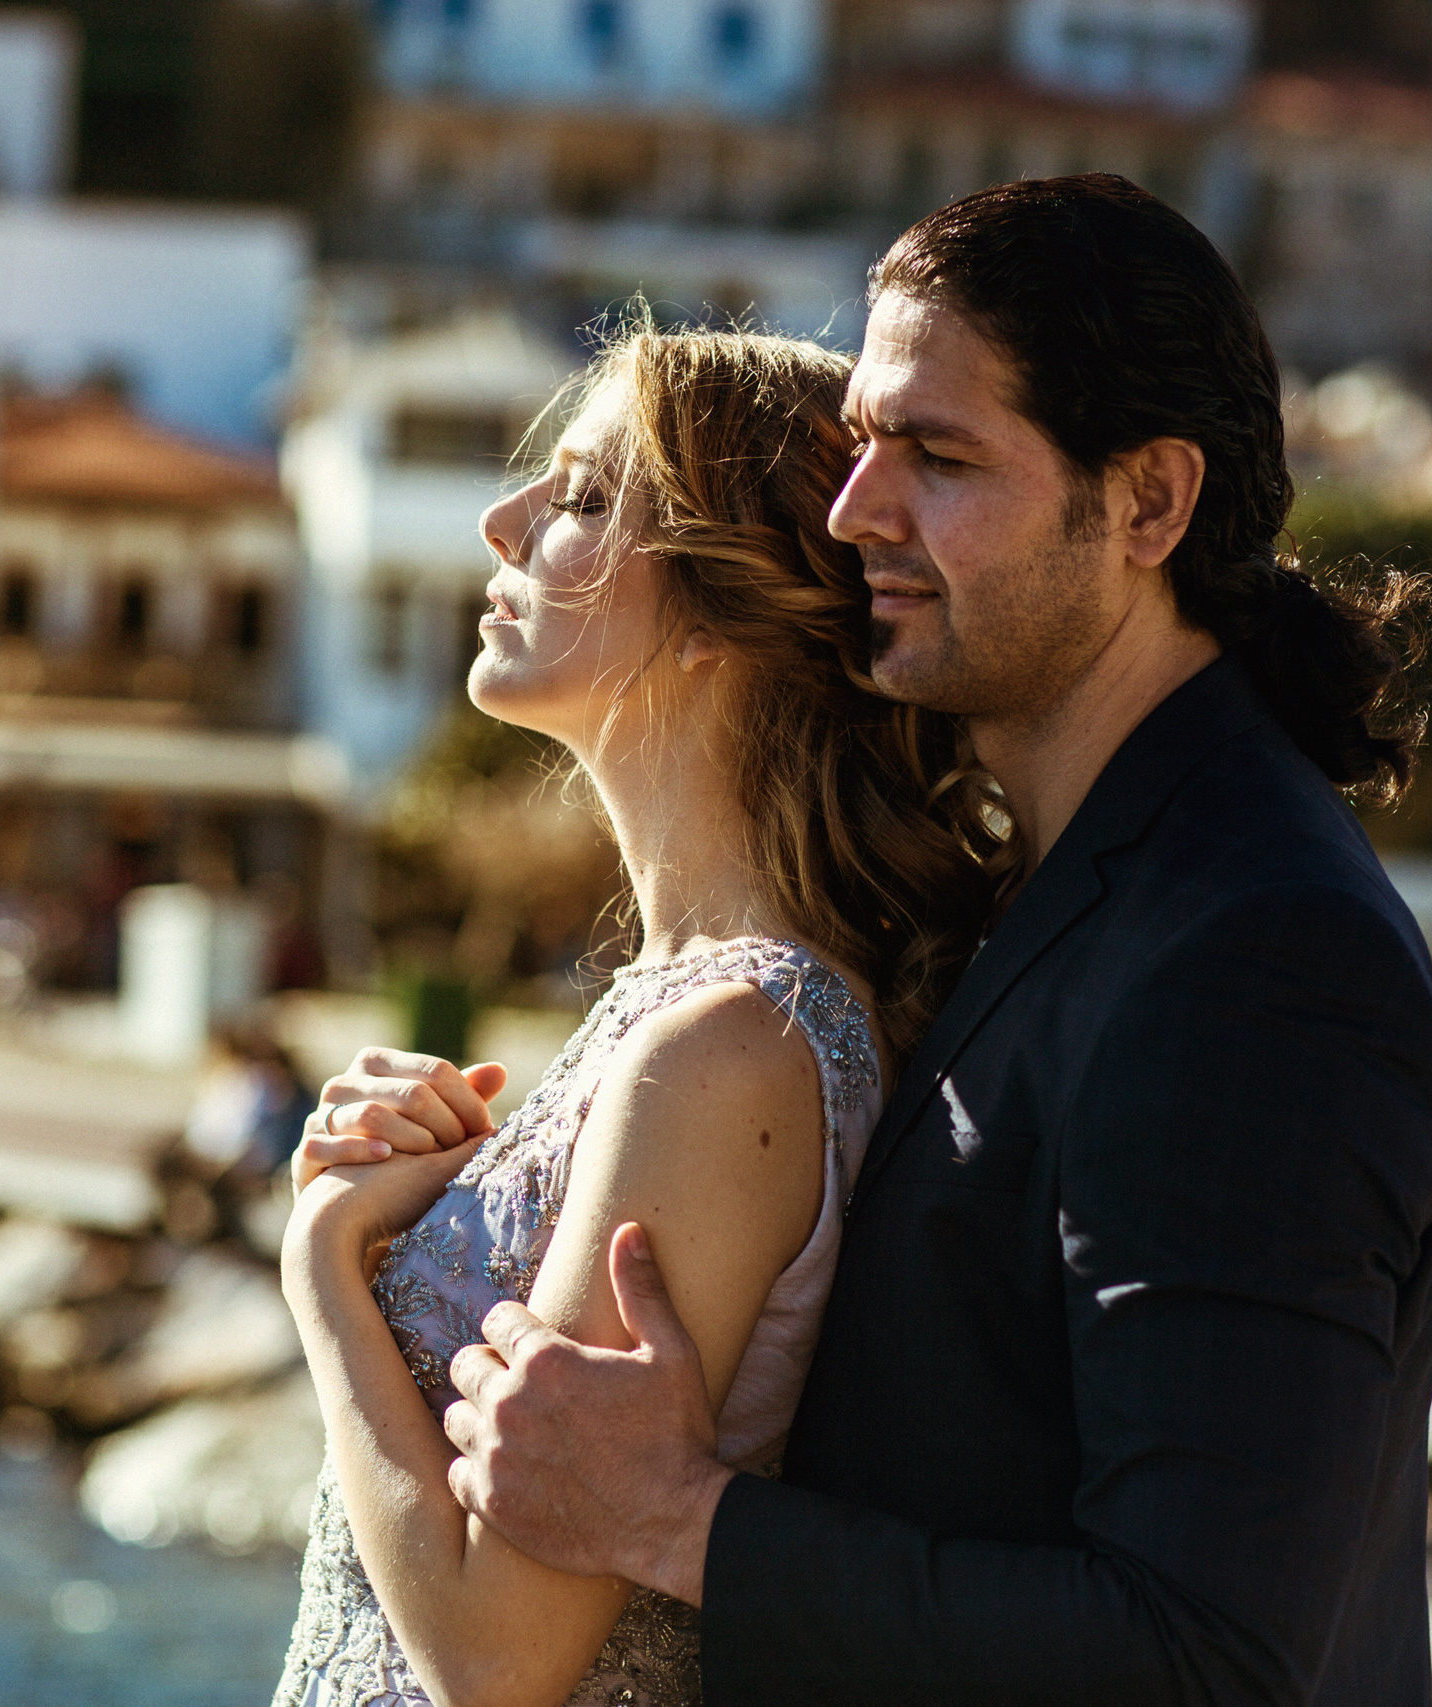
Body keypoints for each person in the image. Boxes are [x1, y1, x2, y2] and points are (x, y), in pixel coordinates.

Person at [352, 177, 1432, 1703]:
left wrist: (686, 1526)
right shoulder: (1081, 882)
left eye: (936, 456)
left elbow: (1207, 1655)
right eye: (867, 441)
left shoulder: (1256, 953)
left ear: (1150, 502)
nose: (853, 508)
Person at [270, 326, 1007, 1706]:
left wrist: (324, 1265)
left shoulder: (732, 1049)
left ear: (730, 615)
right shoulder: (696, 1014)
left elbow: (498, 1655)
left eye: (588, 497)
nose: (504, 521)